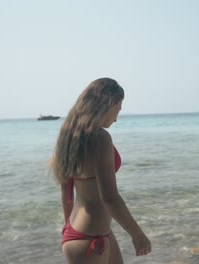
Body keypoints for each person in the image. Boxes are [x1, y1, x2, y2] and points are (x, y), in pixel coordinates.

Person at [51, 78, 151, 263]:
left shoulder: (70, 136)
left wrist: (67, 227)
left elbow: (66, 190)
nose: (116, 118)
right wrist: (137, 234)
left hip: (79, 232)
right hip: (90, 240)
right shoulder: (101, 138)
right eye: (118, 110)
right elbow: (110, 198)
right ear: (110, 103)